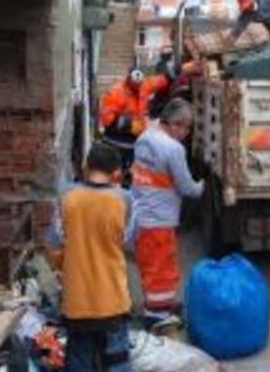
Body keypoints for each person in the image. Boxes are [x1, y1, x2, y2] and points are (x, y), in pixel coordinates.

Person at [49, 143, 133, 372]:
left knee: (78, 358)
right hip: (113, 298)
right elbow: (129, 242)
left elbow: (54, 244)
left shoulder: (67, 197)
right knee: (118, 359)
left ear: (86, 167)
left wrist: (63, 265)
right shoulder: (124, 199)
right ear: (116, 173)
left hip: (77, 300)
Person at [131, 97, 204, 332]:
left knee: (149, 266)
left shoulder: (145, 137)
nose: (187, 133)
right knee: (162, 270)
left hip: (141, 216)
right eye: (187, 127)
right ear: (175, 124)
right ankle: (157, 316)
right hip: (160, 221)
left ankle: (159, 306)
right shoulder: (173, 149)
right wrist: (204, 185)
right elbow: (187, 188)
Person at [100, 67, 170, 146]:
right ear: (129, 79)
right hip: (117, 141)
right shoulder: (115, 93)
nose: (137, 87)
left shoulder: (144, 86)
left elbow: (159, 81)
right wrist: (129, 124)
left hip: (137, 140)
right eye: (135, 84)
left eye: (139, 84)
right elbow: (106, 121)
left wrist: (171, 73)